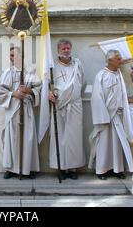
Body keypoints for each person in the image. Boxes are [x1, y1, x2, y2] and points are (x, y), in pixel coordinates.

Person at [40, 39, 86, 180]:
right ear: (58, 50)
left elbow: (82, 84)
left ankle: (72, 168)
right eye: (63, 48)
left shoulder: (78, 65)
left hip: (75, 105)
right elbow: (46, 85)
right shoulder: (52, 67)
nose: (66, 50)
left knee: (74, 138)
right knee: (59, 137)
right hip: (58, 106)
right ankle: (61, 167)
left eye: (68, 48)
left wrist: (73, 95)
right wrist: (49, 94)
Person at [88, 50, 133, 180]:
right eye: (118, 58)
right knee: (104, 144)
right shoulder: (101, 75)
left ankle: (117, 169)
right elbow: (97, 97)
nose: (121, 60)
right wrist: (104, 117)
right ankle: (102, 170)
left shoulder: (120, 75)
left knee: (117, 143)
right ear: (109, 60)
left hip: (117, 116)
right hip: (105, 117)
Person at [0, 47, 41, 179]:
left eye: (13, 55)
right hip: (13, 110)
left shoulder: (30, 72)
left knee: (28, 138)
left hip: (26, 109)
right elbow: (0, 91)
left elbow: (39, 88)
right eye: (10, 56)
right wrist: (14, 94)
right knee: (12, 139)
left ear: (21, 56)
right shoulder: (7, 73)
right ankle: (10, 169)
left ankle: (28, 168)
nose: (11, 58)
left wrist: (28, 91)